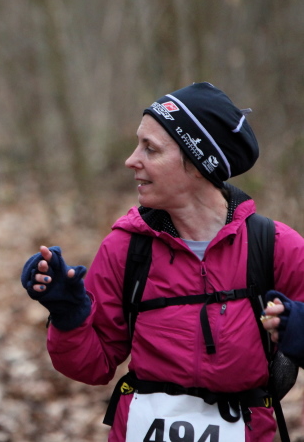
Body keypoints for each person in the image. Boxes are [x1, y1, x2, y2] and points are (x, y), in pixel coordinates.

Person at [21, 82, 304, 441]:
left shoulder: (275, 246)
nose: (131, 160)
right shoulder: (125, 248)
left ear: (199, 164)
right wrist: (68, 314)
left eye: (150, 149)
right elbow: (92, 366)